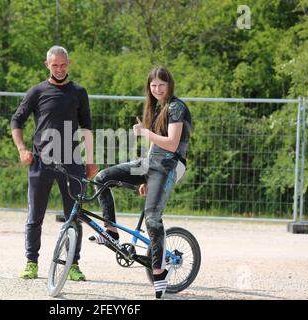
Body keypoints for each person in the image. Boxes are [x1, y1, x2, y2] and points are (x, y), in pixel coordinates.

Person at [91, 66, 191, 298]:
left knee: (152, 218)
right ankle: (111, 231)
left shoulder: (177, 107)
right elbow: (154, 148)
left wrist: (145, 132)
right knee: (102, 178)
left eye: (161, 85)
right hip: (150, 164)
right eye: (153, 85)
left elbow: (172, 144)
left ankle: (159, 272)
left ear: (169, 85)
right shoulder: (156, 108)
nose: (157, 89)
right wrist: (144, 176)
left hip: (169, 165)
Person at [11, 45, 98, 281]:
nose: (59, 69)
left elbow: (87, 126)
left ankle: (73, 264)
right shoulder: (37, 91)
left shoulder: (79, 92)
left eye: (63, 64)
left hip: (72, 162)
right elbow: (16, 120)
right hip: (42, 162)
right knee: (35, 215)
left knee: (74, 215)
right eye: (54, 65)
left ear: (68, 64)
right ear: (47, 64)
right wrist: (22, 149)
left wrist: (91, 160)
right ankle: (31, 262)